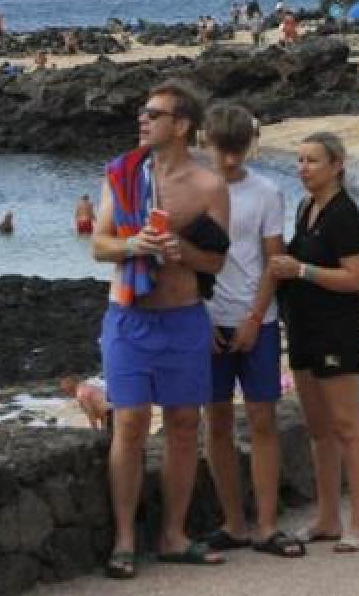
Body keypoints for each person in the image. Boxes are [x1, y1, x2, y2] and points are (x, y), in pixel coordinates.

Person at [91, 79, 231, 578]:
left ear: (182, 124)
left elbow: (214, 261)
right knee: (128, 424)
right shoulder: (124, 175)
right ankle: (125, 539)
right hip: (129, 318)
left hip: (183, 318)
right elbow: (100, 245)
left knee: (182, 426)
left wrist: (179, 250)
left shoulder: (209, 186)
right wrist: (137, 246)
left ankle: (174, 534)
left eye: (154, 113)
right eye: (143, 112)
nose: (142, 119)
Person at [199, 105, 304, 558]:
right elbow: (183, 261)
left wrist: (254, 316)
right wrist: (200, 319)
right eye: (221, 150)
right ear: (205, 143)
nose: (227, 161)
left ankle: (265, 524)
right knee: (216, 422)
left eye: (235, 151)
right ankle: (233, 523)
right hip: (205, 321)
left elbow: (273, 261)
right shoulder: (190, 190)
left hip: (256, 321)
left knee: (263, 420)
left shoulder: (266, 191)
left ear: (248, 146)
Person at [269, 131, 359, 554]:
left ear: (337, 165)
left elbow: (356, 279)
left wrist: (301, 271)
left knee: (347, 426)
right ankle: (328, 518)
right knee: (317, 429)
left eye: (312, 160)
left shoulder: (344, 214)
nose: (303, 168)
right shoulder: (305, 208)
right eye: (299, 160)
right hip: (301, 328)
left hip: (336, 330)